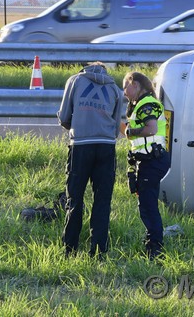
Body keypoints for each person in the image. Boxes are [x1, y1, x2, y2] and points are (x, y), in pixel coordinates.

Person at [58, 62, 124, 258]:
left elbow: (63, 116)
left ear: (85, 68)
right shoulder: (114, 88)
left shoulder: (75, 80)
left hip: (81, 145)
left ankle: (70, 249)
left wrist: (76, 128)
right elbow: (115, 126)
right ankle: (98, 251)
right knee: (102, 201)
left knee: (75, 199)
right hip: (106, 146)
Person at [123, 71, 171, 259]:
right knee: (146, 203)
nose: (124, 92)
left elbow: (150, 129)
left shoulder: (147, 104)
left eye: (126, 86)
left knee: (148, 205)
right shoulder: (141, 104)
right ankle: (153, 242)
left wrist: (131, 131)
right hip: (147, 160)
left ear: (135, 84)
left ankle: (155, 248)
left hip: (152, 160)